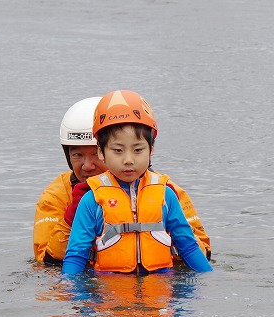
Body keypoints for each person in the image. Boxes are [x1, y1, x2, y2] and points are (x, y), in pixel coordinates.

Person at [35, 97, 213, 266]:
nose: (88, 166)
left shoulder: (166, 192)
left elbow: (203, 251)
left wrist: (166, 224)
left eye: (95, 155)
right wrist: (70, 218)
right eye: (77, 155)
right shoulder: (56, 196)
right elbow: (46, 261)